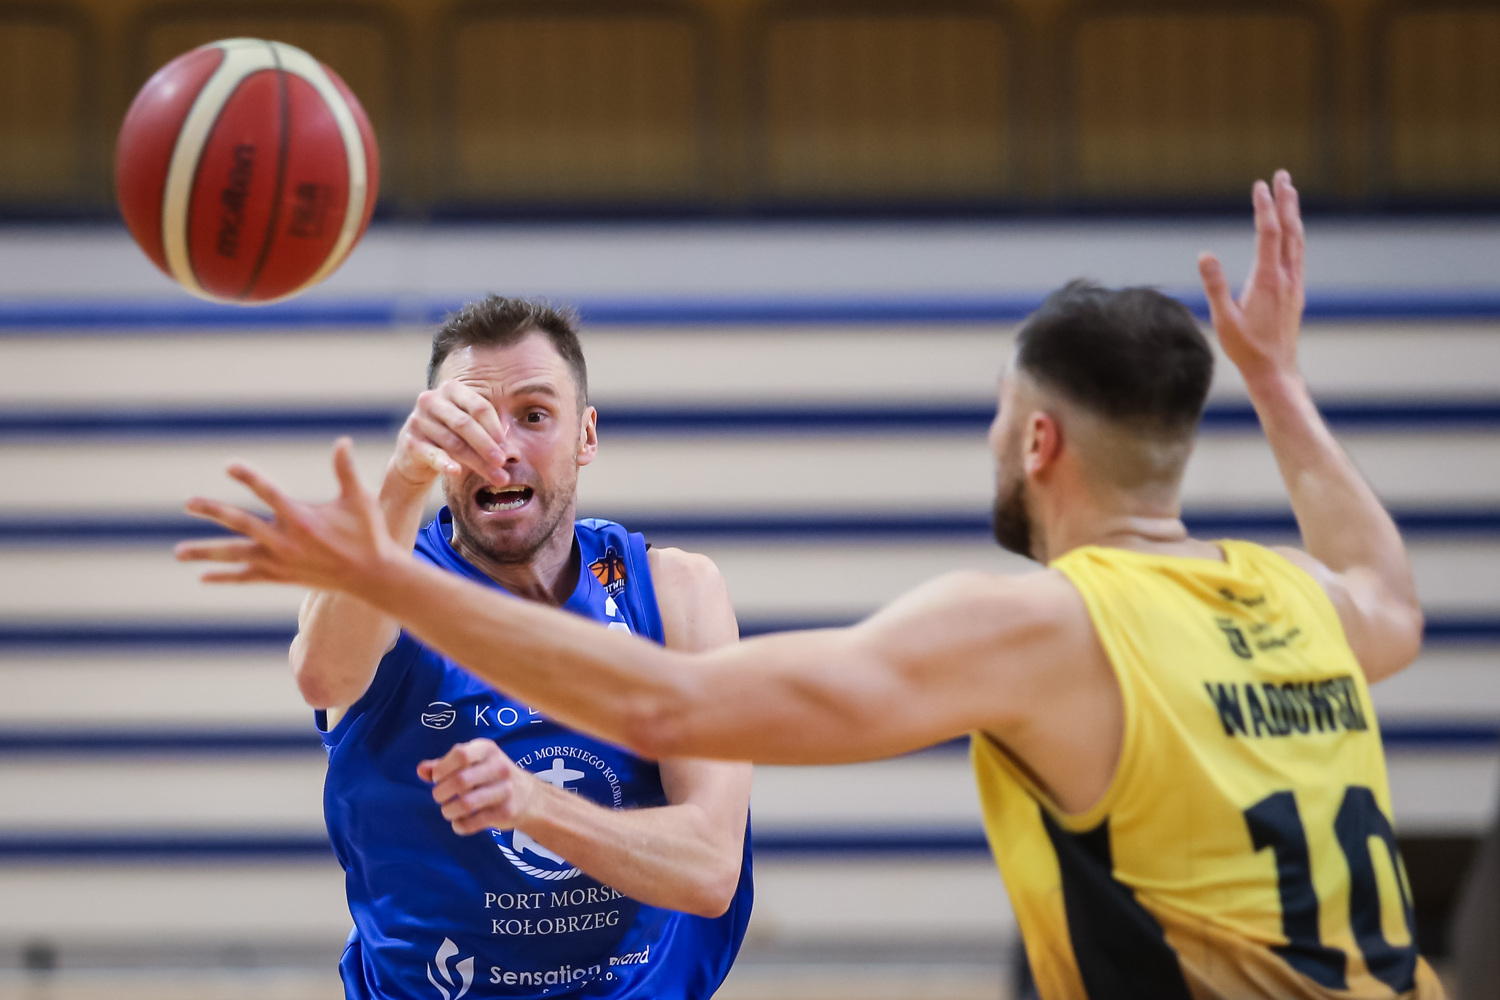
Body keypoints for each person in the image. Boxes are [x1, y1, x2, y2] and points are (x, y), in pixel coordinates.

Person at [180, 172, 1444, 999]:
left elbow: (672, 727)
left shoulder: (1035, 623)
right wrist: (1276, 382)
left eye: (998, 417)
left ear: (1037, 442)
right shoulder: (1291, 600)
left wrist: (388, 586)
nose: (503, 448)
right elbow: (1391, 599)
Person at [271, 297, 753, 1000]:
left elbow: (708, 870)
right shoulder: (384, 583)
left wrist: (534, 805)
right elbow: (322, 677)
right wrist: (402, 479)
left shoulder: (674, 592)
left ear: (586, 436)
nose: (498, 451)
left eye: (533, 415)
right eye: (467, 422)